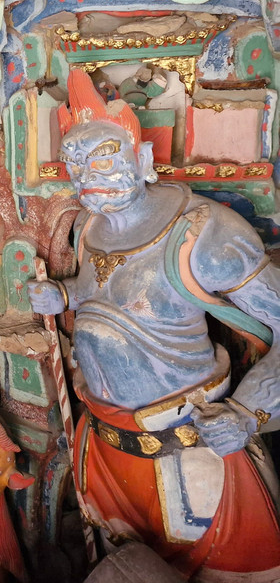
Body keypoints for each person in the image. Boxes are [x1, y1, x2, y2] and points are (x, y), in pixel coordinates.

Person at [28, 69, 280, 580]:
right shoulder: (89, 226)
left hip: (189, 451)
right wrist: (66, 294)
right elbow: (107, 289)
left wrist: (248, 413)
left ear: (142, 159)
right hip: (105, 446)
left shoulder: (203, 235)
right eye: (75, 162)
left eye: (104, 157)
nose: (87, 175)